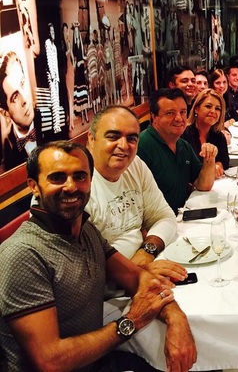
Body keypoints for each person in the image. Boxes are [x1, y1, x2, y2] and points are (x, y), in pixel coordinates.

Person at [0, 141, 196, 371]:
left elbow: (138, 277)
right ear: (34, 186)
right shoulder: (23, 254)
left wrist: (177, 319)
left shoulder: (85, 229)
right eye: (58, 178)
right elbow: (51, 361)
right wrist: (130, 322)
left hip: (98, 361)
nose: (71, 186)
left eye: (80, 176)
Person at [86, 106, 183, 274]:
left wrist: (147, 252)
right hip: (110, 285)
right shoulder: (77, 185)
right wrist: (135, 273)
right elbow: (85, 267)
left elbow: (164, 217)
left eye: (131, 138)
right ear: (91, 139)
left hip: (143, 268)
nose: (124, 146)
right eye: (113, 136)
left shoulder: (135, 165)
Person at [137, 88, 217, 212]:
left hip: (181, 216)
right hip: (158, 221)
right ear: (154, 117)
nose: (179, 118)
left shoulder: (183, 145)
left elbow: (203, 185)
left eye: (183, 112)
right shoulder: (142, 146)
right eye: (170, 113)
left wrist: (210, 158)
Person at [0, 51, 37, 173]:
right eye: (15, 97)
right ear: (5, 113)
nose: (25, 99)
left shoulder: (51, 120)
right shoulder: (6, 153)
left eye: (22, 83)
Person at [183, 89, 229, 178]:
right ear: (196, 109)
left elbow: (225, 161)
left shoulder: (219, 136)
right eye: (208, 106)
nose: (213, 111)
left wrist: (218, 165)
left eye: (217, 108)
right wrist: (210, 168)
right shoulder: (184, 135)